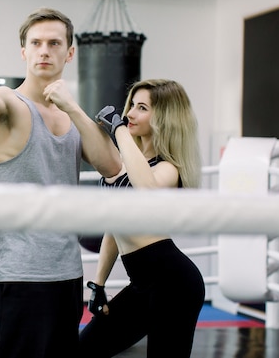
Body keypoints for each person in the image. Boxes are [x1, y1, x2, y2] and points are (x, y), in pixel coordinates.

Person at [0, 0, 122, 358]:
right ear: (23, 52)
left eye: (54, 43)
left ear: (70, 53)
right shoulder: (7, 104)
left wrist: (73, 107)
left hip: (67, 274)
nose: (44, 51)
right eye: (36, 43)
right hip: (21, 277)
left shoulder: (72, 117)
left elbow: (111, 166)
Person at [78, 79, 205, 358]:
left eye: (142, 108)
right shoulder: (128, 164)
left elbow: (145, 189)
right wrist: (98, 284)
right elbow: (115, 224)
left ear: (163, 118)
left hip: (175, 284)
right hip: (142, 285)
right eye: (132, 106)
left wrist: (118, 129)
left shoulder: (168, 169)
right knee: (83, 350)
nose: (130, 114)